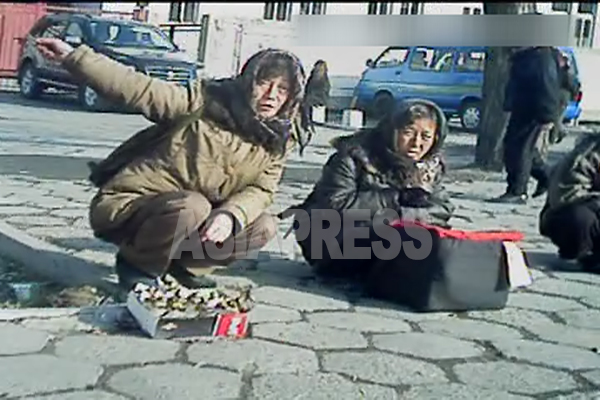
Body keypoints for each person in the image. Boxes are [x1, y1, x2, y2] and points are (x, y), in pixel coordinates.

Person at [36, 37, 307, 290]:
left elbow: (262, 190)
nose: (272, 94)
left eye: (283, 89)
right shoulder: (204, 101)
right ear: (248, 81)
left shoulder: (278, 139)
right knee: (193, 206)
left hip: (194, 219)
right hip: (136, 207)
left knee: (263, 226)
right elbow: (137, 88)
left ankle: (185, 269)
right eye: (264, 83)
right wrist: (75, 57)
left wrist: (229, 215)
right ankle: (138, 266)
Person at [281, 99, 455, 278]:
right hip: (328, 239)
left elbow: (442, 208)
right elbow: (336, 206)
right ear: (392, 131)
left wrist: (407, 215)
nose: (416, 143)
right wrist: (395, 199)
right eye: (408, 133)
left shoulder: (428, 167)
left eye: (425, 137)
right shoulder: (352, 156)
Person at [491, 46, 562, 204]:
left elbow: (547, 85)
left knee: (520, 150)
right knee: (519, 148)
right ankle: (547, 176)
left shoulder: (539, 57)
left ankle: (518, 191)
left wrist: (548, 115)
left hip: (533, 110)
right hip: (522, 108)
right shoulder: (526, 56)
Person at [539, 132, 600, 274]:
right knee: (578, 217)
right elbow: (565, 195)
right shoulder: (587, 155)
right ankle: (575, 255)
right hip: (569, 214)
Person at [549, 50, 581, 145]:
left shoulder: (565, 73)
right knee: (555, 119)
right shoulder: (561, 72)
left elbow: (573, 87)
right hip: (559, 99)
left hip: (561, 100)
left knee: (556, 119)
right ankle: (555, 135)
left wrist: (573, 97)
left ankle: (556, 136)